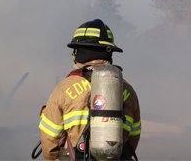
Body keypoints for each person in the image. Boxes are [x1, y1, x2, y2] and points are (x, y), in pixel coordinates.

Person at [37, 19, 141, 160]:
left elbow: (49, 139)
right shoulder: (128, 91)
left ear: (78, 52)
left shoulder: (64, 89)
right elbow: (133, 137)